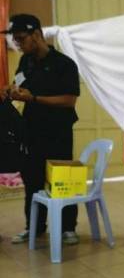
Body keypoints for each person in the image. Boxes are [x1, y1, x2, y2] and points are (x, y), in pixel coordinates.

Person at [1, 14, 80, 245]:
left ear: (37, 34)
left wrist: (34, 98)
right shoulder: (26, 61)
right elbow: (19, 83)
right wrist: (9, 89)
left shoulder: (64, 64)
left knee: (62, 181)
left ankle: (68, 228)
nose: (18, 44)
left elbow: (69, 100)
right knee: (32, 181)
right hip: (31, 132)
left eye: (21, 39)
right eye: (14, 40)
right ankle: (34, 227)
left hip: (58, 133)